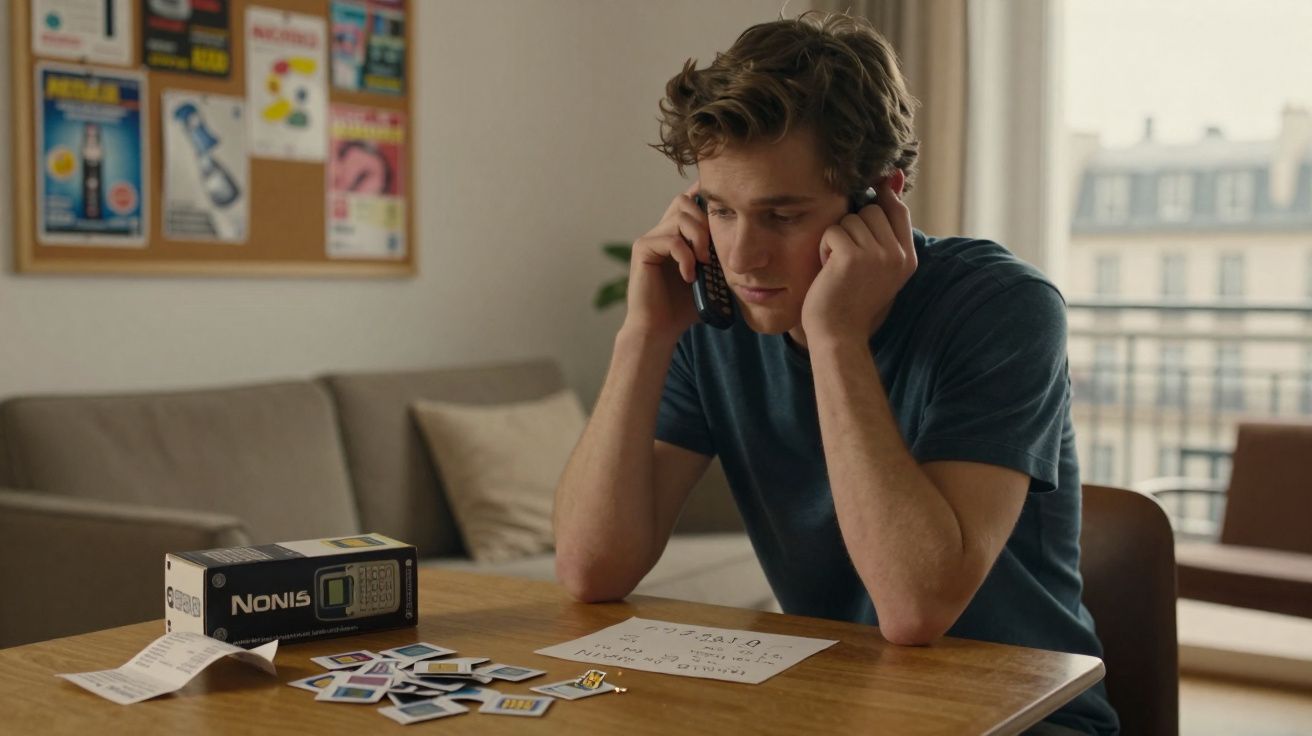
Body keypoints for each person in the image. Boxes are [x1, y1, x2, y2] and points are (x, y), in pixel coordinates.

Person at [552, 11, 1118, 735]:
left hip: (1024, 718)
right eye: (720, 211)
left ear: (881, 198)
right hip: (840, 709)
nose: (743, 256)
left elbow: (915, 609)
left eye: (781, 216)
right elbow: (591, 570)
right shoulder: (712, 315)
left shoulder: (1003, 308)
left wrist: (836, 338)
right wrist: (644, 335)